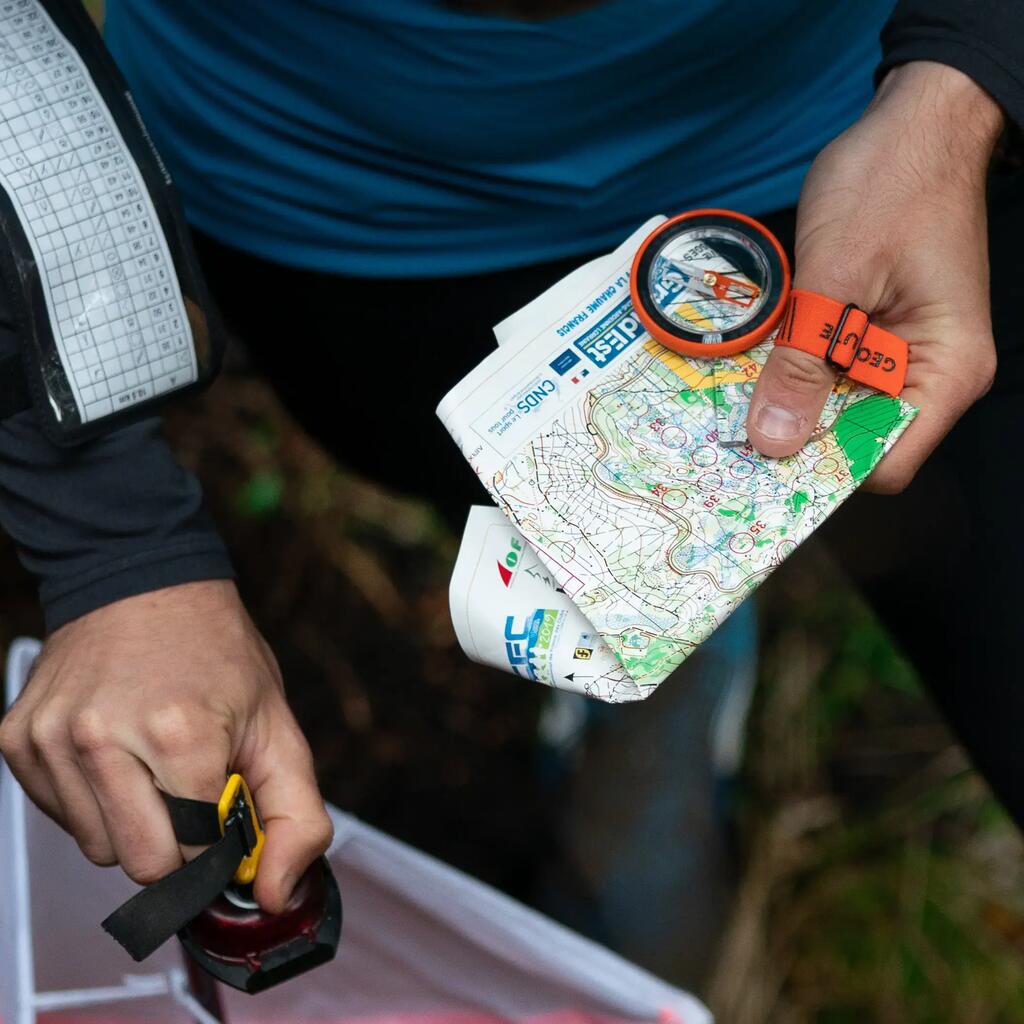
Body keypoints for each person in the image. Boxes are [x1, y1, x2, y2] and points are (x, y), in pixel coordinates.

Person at [0, 0, 1021, 913]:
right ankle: (646, 650)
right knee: (558, 520)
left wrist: (960, 83)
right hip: (358, 214)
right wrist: (118, 543)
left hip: (873, 132)